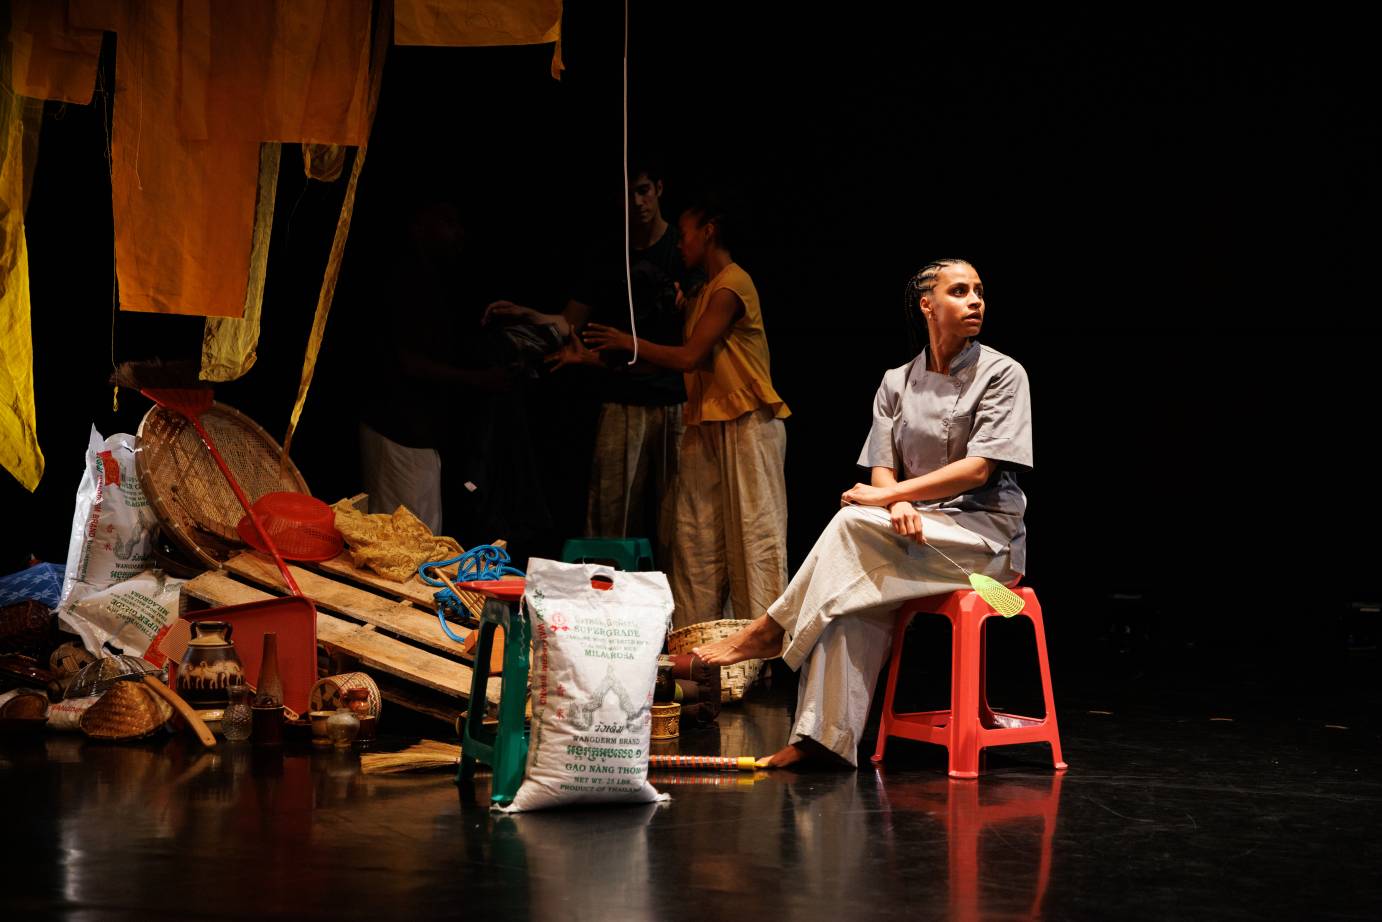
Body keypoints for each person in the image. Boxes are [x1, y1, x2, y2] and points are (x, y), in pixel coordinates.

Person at [694, 259, 1032, 769]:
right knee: (845, 599)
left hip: (982, 543)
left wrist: (885, 500)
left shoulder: (1004, 374)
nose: (975, 300)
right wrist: (894, 501)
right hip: (906, 533)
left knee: (852, 527)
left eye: (979, 291)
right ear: (927, 305)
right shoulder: (896, 382)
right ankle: (820, 742)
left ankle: (769, 629)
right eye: (960, 291)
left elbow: (977, 471)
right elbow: (881, 468)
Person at [584, 201, 790, 629]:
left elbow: (689, 356)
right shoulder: (702, 294)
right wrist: (591, 358)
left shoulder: (733, 285)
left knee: (753, 540)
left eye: (685, 233)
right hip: (704, 425)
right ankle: (697, 645)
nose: (680, 243)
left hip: (746, 422)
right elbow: (673, 361)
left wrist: (628, 341)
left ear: (709, 231)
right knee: (694, 542)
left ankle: (761, 652)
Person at [483, 161, 693, 563]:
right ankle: (604, 608)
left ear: (660, 188)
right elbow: (569, 321)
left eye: (644, 190)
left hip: (673, 400)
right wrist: (527, 314)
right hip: (622, 396)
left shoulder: (680, 250)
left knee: (679, 522)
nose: (638, 202)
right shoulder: (609, 252)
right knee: (611, 516)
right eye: (629, 194)